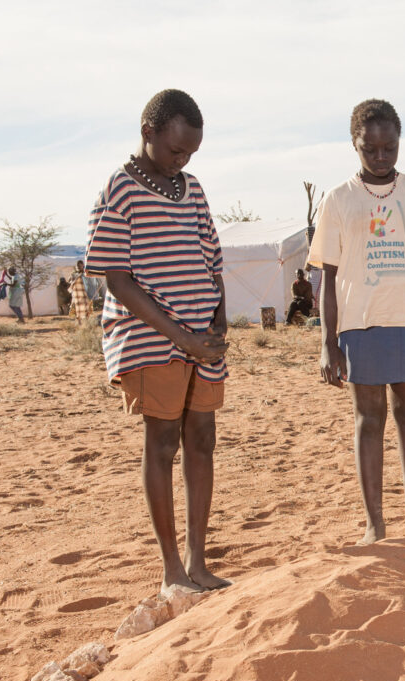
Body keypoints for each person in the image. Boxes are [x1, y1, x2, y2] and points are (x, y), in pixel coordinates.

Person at [85, 88, 231, 592]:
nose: (182, 160)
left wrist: (217, 322)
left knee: (203, 439)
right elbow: (117, 280)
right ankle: (171, 569)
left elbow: (213, 261)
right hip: (150, 337)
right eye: (175, 150)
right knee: (163, 440)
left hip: (199, 340)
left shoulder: (192, 188)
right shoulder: (120, 189)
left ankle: (198, 561)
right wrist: (181, 338)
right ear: (148, 133)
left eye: (190, 153)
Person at [311, 98, 405, 544]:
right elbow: (328, 279)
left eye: (388, 147)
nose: (380, 157)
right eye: (369, 149)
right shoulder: (337, 201)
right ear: (354, 145)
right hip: (358, 325)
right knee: (367, 419)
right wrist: (327, 342)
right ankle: (375, 524)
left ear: (398, 143)